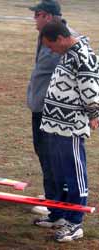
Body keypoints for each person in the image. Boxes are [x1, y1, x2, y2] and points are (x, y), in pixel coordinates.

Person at [35, 20, 99, 242]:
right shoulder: (67, 53)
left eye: (51, 46)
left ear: (61, 39)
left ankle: (75, 223)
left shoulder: (83, 56)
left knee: (74, 174)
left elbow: (91, 89)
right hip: (54, 125)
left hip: (70, 126)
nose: (50, 50)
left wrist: (94, 114)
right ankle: (59, 215)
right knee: (58, 173)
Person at [27, 0, 74, 216]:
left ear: (46, 16)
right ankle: (52, 197)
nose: (34, 19)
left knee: (52, 155)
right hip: (40, 107)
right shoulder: (46, 36)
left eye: (36, 15)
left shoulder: (65, 40)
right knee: (44, 153)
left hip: (52, 110)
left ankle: (56, 203)